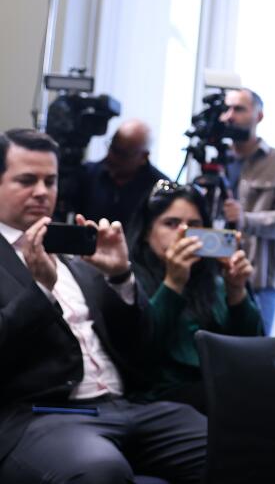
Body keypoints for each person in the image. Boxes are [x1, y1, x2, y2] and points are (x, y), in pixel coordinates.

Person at [0, 128, 207, 484]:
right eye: (26, 180)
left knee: (238, 445)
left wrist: (121, 278)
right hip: (43, 415)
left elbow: (142, 349)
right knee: (100, 469)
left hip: (128, 406)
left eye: (50, 181)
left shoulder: (76, 254)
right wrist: (41, 291)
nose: (41, 192)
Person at [128, 180, 263, 412]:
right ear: (147, 233)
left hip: (219, 386)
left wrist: (237, 292)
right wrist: (173, 283)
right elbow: (141, 349)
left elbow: (253, 347)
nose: (184, 234)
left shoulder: (214, 279)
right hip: (160, 396)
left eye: (194, 225)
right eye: (171, 224)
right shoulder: (129, 280)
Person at [218, 87, 275, 333]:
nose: (230, 116)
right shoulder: (214, 162)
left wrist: (246, 219)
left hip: (259, 280)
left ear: (259, 116)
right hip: (212, 275)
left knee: (252, 356)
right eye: (226, 109)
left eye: (239, 109)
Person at [73, 119, 169, 228]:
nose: (112, 157)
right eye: (112, 148)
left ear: (144, 156)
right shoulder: (88, 174)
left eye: (122, 154)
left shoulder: (160, 188)